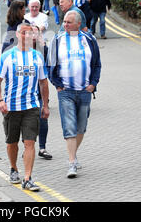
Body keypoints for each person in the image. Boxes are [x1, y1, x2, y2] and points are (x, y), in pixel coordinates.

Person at [0, 22, 50, 191]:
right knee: (12, 143)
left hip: (31, 107)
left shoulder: (37, 56)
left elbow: (43, 82)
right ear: (17, 35)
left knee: (30, 143)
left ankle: (27, 178)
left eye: (30, 33)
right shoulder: (7, 56)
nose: (27, 36)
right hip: (11, 107)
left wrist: (45, 105)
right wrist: (0, 100)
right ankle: (13, 168)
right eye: (24, 33)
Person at [48, 10, 101, 178]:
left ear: (79, 23)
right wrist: (57, 84)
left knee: (81, 128)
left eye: (69, 22)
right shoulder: (58, 40)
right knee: (69, 126)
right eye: (64, 21)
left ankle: (73, 154)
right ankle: (71, 163)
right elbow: (50, 65)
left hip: (85, 91)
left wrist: (93, 84)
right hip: (66, 91)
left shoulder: (89, 39)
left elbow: (97, 64)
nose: (65, 24)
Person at [31, 25, 52, 160]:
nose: (32, 36)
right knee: (27, 122)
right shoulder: (18, 50)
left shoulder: (43, 50)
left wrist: (46, 102)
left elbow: (49, 69)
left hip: (38, 92)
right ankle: (29, 147)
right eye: (30, 33)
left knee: (42, 119)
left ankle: (42, 147)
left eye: (36, 34)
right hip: (24, 93)